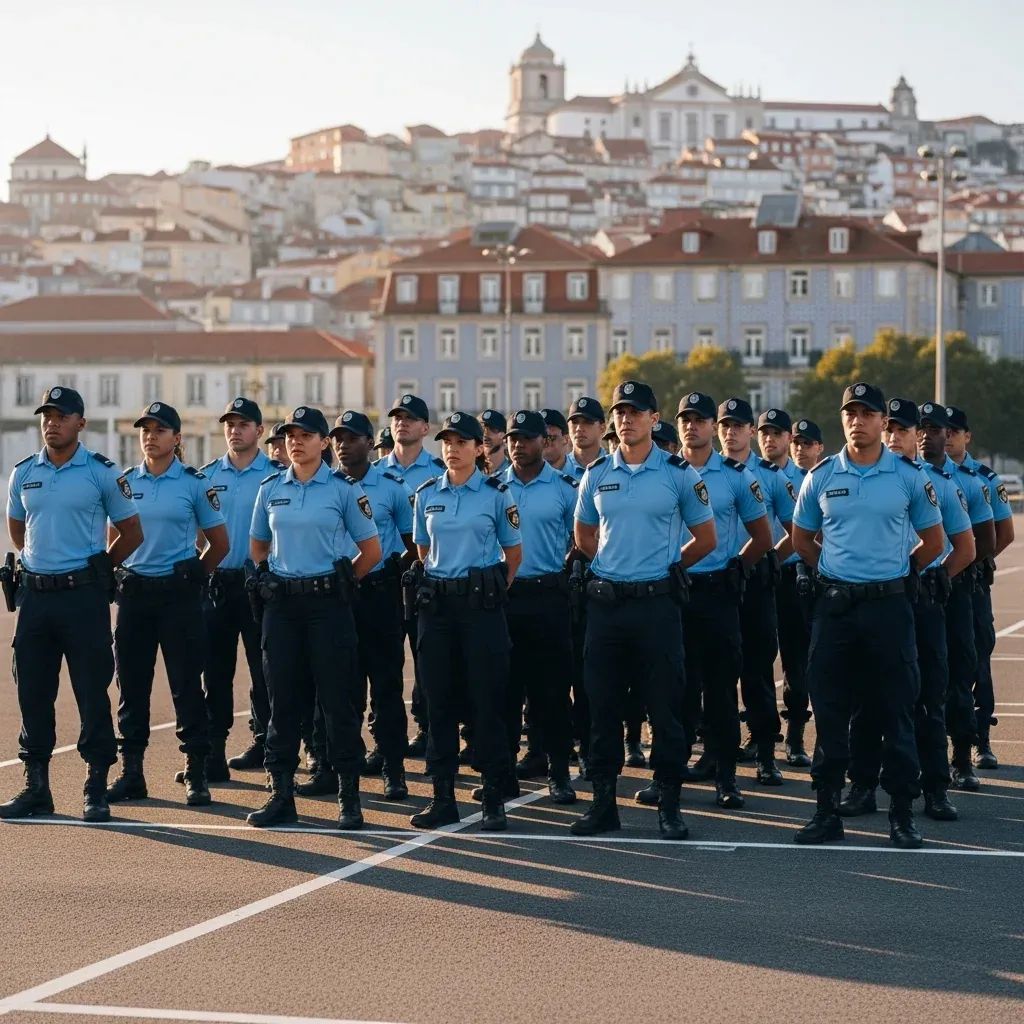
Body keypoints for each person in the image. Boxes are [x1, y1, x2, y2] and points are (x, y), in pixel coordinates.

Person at [791, 382, 944, 849]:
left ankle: (901, 815)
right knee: (832, 712)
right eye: (849, 413)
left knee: (895, 710)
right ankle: (825, 811)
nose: (857, 420)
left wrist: (898, 575)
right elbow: (801, 540)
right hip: (836, 611)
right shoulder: (821, 476)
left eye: (867, 413)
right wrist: (835, 576)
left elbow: (935, 542)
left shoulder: (908, 476)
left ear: (883, 422)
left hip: (889, 609)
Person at [570, 381, 717, 840]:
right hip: (608, 607)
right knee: (602, 707)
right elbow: (584, 538)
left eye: (636, 412)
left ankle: (669, 806)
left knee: (665, 708)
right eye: (620, 412)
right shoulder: (596, 473)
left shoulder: (677, 473)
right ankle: (603, 806)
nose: (626, 419)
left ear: (655, 419)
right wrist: (615, 569)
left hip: (657, 607)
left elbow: (706, 538)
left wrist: (667, 567)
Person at [1, 386, 142, 823]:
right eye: (47, 415)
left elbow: (131, 531)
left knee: (91, 692)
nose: (52, 423)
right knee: (33, 693)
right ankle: (36, 788)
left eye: (62, 416)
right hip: (37, 600)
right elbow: (18, 530)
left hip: (83, 598)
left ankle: (95, 786)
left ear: (80, 422)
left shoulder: (101, 472)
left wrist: (101, 567)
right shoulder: (24, 472)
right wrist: (41, 564)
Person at [247, 406, 382, 829]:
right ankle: (280, 794)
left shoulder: (342, 489)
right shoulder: (271, 488)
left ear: (324, 443)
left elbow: (372, 551)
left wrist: (343, 582)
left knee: (338, 702)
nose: (296, 441)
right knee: (283, 703)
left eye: (306, 435)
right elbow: (258, 548)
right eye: (290, 434)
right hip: (283, 608)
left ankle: (349, 797)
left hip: (328, 607)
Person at [842, 399, 974, 824]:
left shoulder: (933, 483)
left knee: (926, 699)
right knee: (865, 698)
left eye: (903, 430)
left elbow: (966, 547)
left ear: (917, 434)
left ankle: (934, 790)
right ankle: (862, 786)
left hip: (919, 605)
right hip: (874, 604)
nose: (895, 437)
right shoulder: (865, 482)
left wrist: (929, 577)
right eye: (891, 429)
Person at [106, 402, 229, 807]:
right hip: (136, 596)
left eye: (160, 430)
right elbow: (116, 541)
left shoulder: (194, 484)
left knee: (186, 687)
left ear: (177, 439)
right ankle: (132, 773)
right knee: (132, 687)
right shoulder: (125, 482)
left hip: (178, 597)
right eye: (145, 429)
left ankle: (196, 772)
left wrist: (196, 572)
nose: (150, 436)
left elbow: (220, 543)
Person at [408, 412, 522, 832]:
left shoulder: (497, 493)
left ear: (480, 448)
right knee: (438, 703)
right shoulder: (426, 494)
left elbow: (513, 556)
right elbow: (423, 550)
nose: (452, 449)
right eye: (447, 442)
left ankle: (494, 798)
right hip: (438, 609)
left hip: (481, 611)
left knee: (486, 702)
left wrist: (485, 591)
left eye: (461, 442)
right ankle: (442, 798)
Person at [672, 392, 771, 810]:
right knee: (672, 691)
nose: (691, 426)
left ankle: (726, 777)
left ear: (713, 426)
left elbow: (763, 538)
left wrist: (737, 567)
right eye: (685, 419)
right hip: (672, 593)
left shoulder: (734, 476)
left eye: (699, 420)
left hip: (716, 594)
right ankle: (670, 775)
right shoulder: (664, 472)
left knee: (720, 691)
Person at [331, 410, 414, 801]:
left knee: (386, 686)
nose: (343, 445)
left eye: (351, 438)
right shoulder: (325, 486)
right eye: (338, 438)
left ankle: (393, 768)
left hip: (379, 595)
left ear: (369, 441)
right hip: (336, 596)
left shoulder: (392, 486)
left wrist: (396, 569)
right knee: (341, 688)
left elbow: (413, 544)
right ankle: (342, 767)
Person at [498, 410, 579, 805]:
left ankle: (559, 772)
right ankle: (504, 775)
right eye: (512, 438)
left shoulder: (565, 488)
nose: (516, 445)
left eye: (525, 439)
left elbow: (580, 538)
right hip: (505, 598)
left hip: (549, 597)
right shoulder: (495, 487)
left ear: (543, 443)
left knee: (551, 691)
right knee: (505, 690)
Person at [197, 398, 279, 781]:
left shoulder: (278, 474)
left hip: (261, 586)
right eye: (230, 423)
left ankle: (267, 746)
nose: (235, 429)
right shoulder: (208, 476)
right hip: (220, 585)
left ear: (259, 431)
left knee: (266, 671)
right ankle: (213, 751)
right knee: (215, 672)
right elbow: (198, 530)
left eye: (244, 423)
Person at [717, 398, 795, 784]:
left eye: (738, 425)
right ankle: (719, 752)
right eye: (724, 425)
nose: (730, 432)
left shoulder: (769, 475)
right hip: (713, 583)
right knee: (713, 674)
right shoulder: (702, 471)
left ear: (751, 430)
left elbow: (797, 530)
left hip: (754, 581)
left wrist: (766, 559)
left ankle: (766, 753)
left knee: (757, 670)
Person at [918, 404, 994, 789]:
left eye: (938, 429)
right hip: (915, 591)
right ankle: (915, 758)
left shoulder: (966, 480)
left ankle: (962, 757)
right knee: (916, 677)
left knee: (960, 674)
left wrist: (948, 573)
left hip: (956, 588)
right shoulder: (908, 477)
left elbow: (987, 540)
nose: (931, 435)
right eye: (924, 428)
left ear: (950, 435)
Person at [945, 405, 1015, 771]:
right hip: (937, 586)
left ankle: (981, 741)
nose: (950, 436)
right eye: (946, 430)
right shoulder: (924, 474)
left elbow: (1003, 535)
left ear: (967, 436)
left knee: (976, 660)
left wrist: (974, 562)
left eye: (957, 430)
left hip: (970, 586)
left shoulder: (984, 479)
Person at [383, 393, 446, 757]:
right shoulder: (375, 473)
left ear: (425, 428)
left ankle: (427, 729)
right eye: (396, 418)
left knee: (427, 661)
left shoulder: (439, 473)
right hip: (384, 581)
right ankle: (386, 739)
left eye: (410, 418)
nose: (401, 423)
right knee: (387, 662)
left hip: (424, 580)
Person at [757, 408, 812, 766]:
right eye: (764, 432)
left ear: (788, 439)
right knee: (757, 661)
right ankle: (758, 734)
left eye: (777, 433)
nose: (770, 439)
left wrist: (772, 558)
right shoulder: (748, 474)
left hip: (788, 575)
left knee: (796, 660)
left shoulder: (801, 478)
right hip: (755, 577)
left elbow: (800, 533)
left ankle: (794, 738)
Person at [567, 397, 605, 474]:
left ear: (602, 428)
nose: (579, 428)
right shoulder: (557, 470)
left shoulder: (615, 467)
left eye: (587, 422)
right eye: (574, 422)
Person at [541, 409, 581, 477]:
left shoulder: (583, 475)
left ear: (565, 439)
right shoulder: (523, 477)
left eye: (550, 437)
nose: (545, 442)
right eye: (541, 438)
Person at [479, 409, 509, 476]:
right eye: (482, 429)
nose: (486, 434)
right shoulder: (473, 471)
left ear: (504, 436)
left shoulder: (513, 472)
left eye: (493, 429)